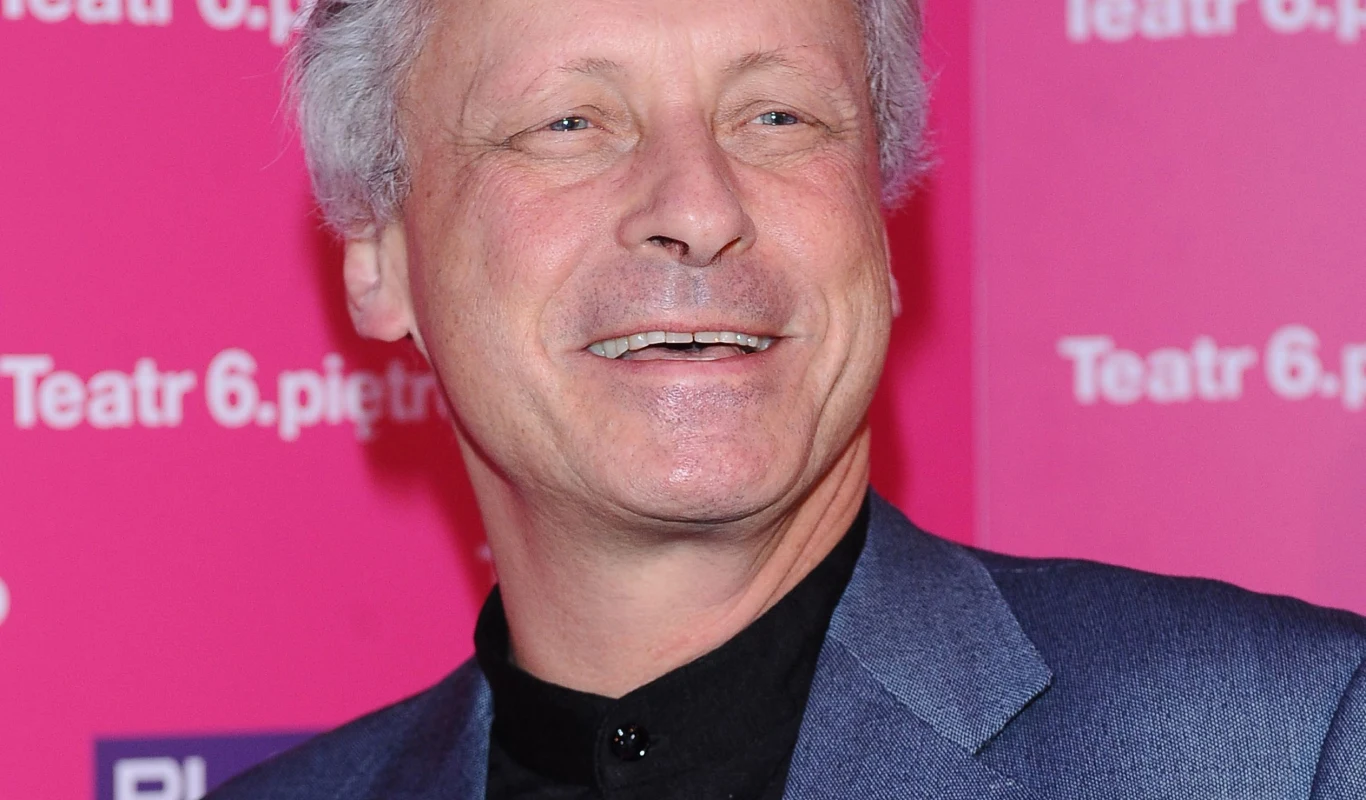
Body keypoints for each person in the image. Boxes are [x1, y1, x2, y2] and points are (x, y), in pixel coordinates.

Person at [209, 0, 1366, 796]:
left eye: (778, 116)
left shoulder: (1294, 745)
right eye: (569, 123)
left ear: (880, 224)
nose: (699, 207)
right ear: (381, 257)